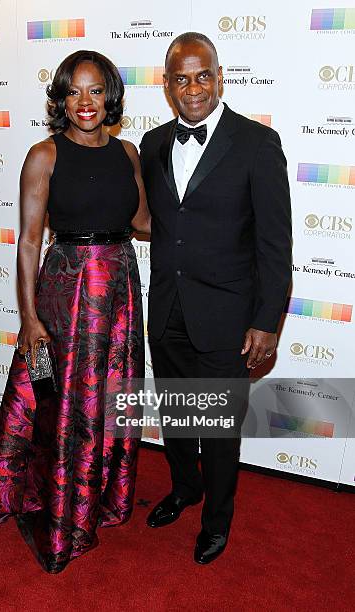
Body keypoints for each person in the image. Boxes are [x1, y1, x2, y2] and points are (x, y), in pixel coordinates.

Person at [0, 50, 150, 574]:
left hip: (119, 285)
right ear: (60, 98)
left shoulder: (128, 152)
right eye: (73, 91)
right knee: (59, 396)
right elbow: (30, 242)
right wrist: (30, 319)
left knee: (113, 390)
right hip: (66, 289)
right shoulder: (44, 155)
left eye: (95, 90)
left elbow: (143, 219)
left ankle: (104, 491)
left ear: (111, 95)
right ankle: (60, 498)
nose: (85, 102)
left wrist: (207, 221)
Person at [139, 32, 292, 564]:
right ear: (167, 86)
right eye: (181, 79)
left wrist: (267, 321)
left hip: (229, 317)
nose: (193, 88)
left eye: (203, 75)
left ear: (220, 75)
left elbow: (275, 243)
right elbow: (156, 221)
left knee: (220, 429)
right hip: (168, 309)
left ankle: (217, 520)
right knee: (179, 415)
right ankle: (185, 488)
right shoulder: (154, 143)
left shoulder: (256, 143)